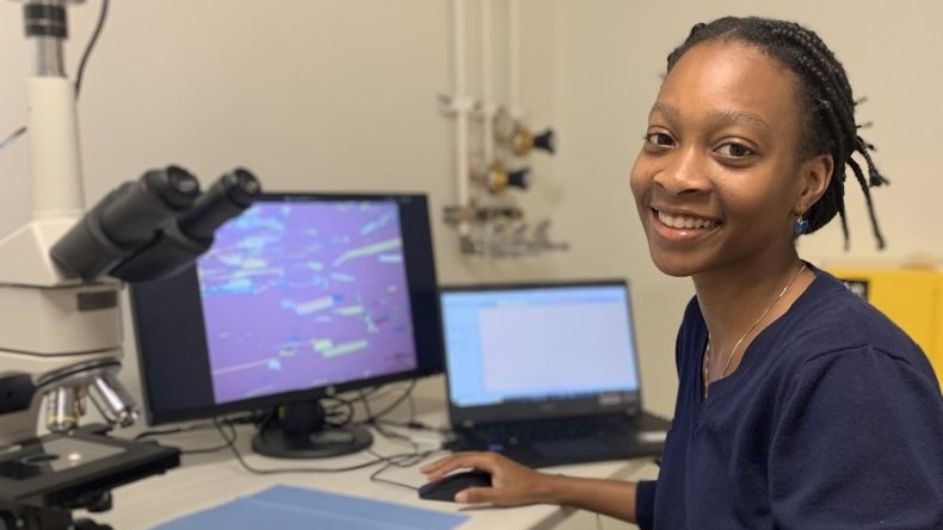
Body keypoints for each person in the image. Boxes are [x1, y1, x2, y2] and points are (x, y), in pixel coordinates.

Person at [421, 16, 943, 529]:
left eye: (734, 149)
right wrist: (547, 485)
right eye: (662, 138)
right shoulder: (706, 328)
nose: (677, 176)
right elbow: (692, 504)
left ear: (808, 182)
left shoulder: (851, 373)